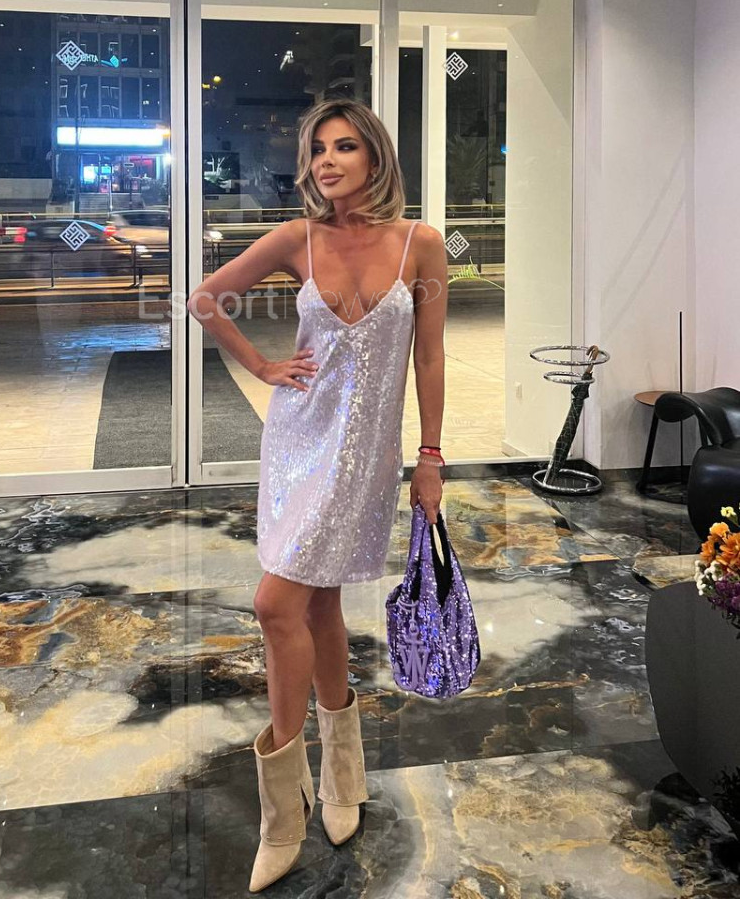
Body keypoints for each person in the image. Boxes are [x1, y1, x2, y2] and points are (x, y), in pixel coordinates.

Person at [187, 97, 448, 892]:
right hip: (299, 442)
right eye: (316, 151)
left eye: (342, 147)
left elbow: (428, 359)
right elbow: (205, 298)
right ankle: (302, 796)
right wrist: (265, 368)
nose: (325, 162)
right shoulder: (296, 238)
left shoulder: (420, 243)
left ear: (374, 157)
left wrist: (430, 456)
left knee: (296, 603)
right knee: (295, 604)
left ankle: (326, 783)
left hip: (366, 456)